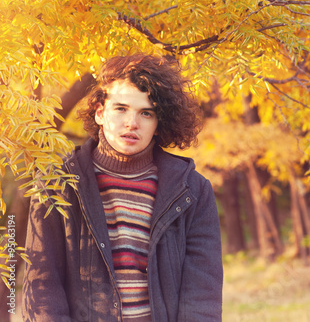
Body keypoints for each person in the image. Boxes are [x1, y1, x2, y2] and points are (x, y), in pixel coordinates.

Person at [22, 54, 223, 322]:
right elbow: (43, 286)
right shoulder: (56, 184)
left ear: (158, 122)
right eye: (121, 109)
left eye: (146, 113)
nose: (132, 123)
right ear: (100, 112)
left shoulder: (192, 191)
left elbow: (202, 294)